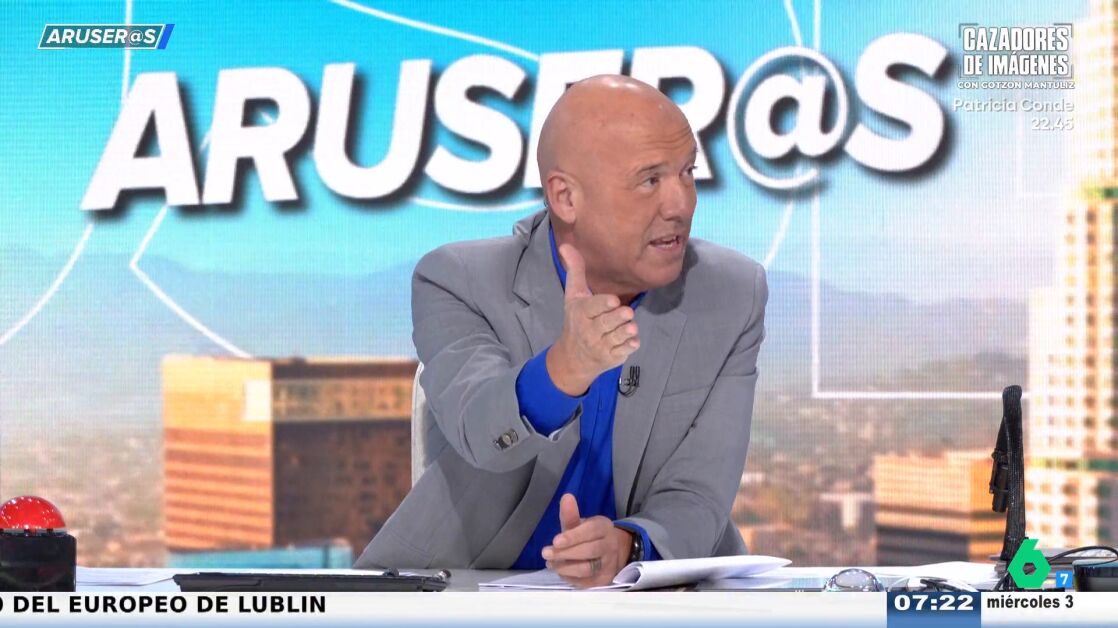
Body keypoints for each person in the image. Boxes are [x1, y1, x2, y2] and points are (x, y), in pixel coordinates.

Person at [354, 75, 768, 588]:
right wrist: (563, 371)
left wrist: (631, 547)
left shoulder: (732, 292)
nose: (680, 204)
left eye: (687, 173)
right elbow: (480, 432)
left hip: (658, 592)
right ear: (566, 197)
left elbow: (700, 489)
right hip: (466, 585)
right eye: (649, 180)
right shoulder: (457, 280)